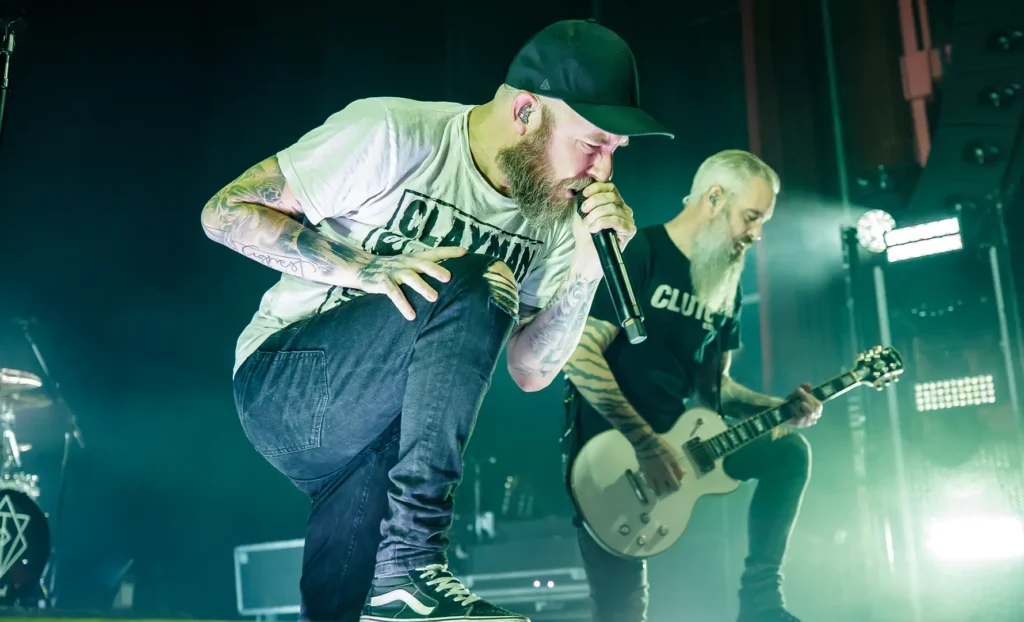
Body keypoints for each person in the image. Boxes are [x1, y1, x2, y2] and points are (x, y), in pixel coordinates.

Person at [201, 19, 673, 622]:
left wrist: (586, 266)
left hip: (380, 436)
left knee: (349, 611)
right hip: (286, 384)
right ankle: (413, 562)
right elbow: (223, 212)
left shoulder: (557, 221)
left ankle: (393, 586)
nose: (602, 171)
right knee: (474, 278)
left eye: (614, 152)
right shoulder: (396, 133)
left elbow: (531, 371)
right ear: (526, 110)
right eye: (592, 144)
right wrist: (368, 268)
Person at [562, 150, 823, 622]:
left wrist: (781, 406)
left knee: (789, 453)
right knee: (622, 614)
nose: (756, 234)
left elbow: (715, 389)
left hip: (684, 451)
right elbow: (578, 356)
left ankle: (761, 602)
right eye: (751, 217)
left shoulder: (725, 286)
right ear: (714, 198)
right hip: (612, 457)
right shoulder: (641, 252)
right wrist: (644, 444)